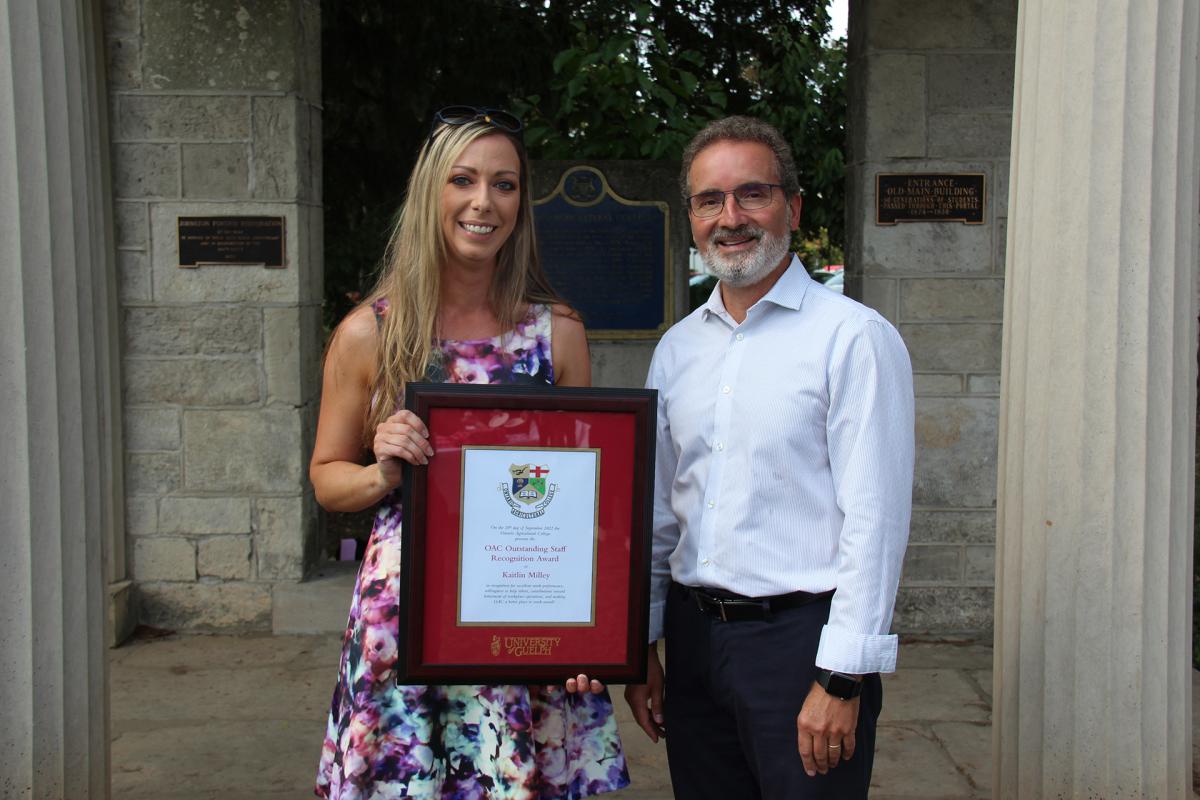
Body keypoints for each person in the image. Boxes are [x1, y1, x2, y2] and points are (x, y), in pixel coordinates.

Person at [311, 106, 630, 799]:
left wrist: (595, 632)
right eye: (463, 180)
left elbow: (590, 504)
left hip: (528, 615)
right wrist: (379, 472)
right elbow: (327, 479)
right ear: (432, 191)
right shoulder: (372, 333)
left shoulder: (559, 333)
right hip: (408, 624)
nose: (484, 202)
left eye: (505, 184)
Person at [624, 116, 914, 799]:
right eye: (708, 200)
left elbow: (874, 522)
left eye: (752, 194)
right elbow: (662, 513)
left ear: (794, 206)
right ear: (691, 216)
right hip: (696, 648)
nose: (731, 217)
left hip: (801, 648)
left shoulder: (854, 340)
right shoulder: (677, 351)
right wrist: (641, 646)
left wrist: (843, 677)